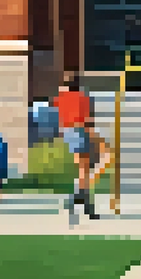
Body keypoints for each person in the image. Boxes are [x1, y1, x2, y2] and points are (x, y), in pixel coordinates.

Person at [53, 74, 99, 220]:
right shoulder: (82, 98)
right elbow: (87, 119)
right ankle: (82, 199)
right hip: (80, 129)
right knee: (84, 169)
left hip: (67, 131)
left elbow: (56, 106)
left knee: (81, 167)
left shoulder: (61, 99)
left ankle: (81, 198)